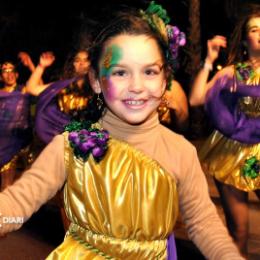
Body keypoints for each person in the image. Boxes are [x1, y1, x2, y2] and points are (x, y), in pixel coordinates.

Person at [0, 2, 244, 259]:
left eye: (149, 71)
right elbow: (18, 204)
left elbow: (203, 224)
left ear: (165, 79)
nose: (136, 86)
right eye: (120, 72)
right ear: (96, 80)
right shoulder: (69, 146)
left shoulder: (180, 152)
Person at [189, 4, 260, 257]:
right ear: (245, 39)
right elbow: (196, 99)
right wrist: (209, 61)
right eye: (255, 29)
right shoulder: (234, 73)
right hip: (231, 154)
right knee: (239, 231)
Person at [0, 52, 54, 191]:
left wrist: (31, 64)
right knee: (6, 184)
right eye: (5, 72)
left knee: (29, 183)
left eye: (12, 71)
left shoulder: (24, 90)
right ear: (1, 77)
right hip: (4, 144)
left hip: (24, 142)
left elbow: (40, 89)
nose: (9, 74)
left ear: (17, 75)